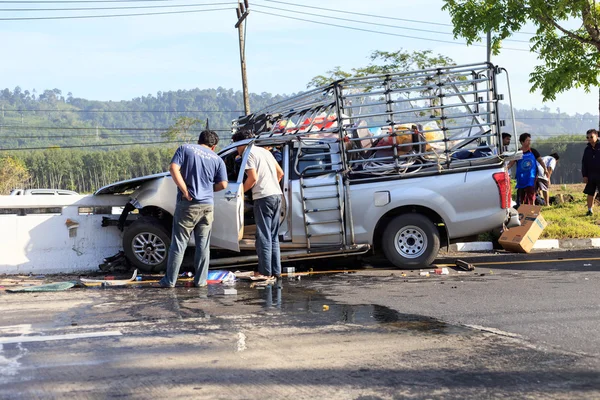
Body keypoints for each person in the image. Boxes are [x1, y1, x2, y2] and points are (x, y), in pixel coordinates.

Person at [158, 130, 228, 288]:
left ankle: (169, 281)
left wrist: (185, 191)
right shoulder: (217, 159)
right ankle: (201, 281)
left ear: (199, 140)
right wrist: (208, 190)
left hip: (188, 204)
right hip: (207, 206)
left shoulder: (185, 149)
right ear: (214, 146)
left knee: (179, 243)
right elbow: (223, 184)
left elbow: (173, 169)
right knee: (203, 245)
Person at [231, 129, 284, 279]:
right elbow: (280, 173)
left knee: (263, 236)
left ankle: (265, 272)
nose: (237, 149)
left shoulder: (248, 154)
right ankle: (276, 271)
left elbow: (252, 178)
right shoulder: (266, 152)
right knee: (273, 236)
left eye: (236, 145)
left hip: (263, 197)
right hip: (276, 195)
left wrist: (240, 192)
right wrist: (271, 185)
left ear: (241, 143)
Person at [507, 132, 548, 206]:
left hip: (531, 178)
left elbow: (540, 160)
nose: (529, 142)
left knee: (531, 195)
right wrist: (505, 170)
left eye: (530, 140)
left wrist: (545, 169)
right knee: (521, 197)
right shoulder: (518, 153)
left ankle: (532, 211)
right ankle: (523, 212)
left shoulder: (533, 151)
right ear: (522, 142)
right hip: (521, 178)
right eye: (527, 140)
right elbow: (510, 163)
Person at [582, 128, 600, 216]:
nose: (589, 139)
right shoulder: (587, 149)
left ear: (597, 136)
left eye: (591, 137)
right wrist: (584, 175)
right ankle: (589, 210)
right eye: (588, 137)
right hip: (591, 175)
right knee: (590, 193)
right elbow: (584, 163)